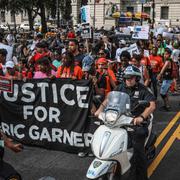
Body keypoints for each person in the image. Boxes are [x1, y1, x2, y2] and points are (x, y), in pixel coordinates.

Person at [95, 65, 156, 180]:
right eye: (126, 77)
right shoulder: (120, 87)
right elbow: (108, 99)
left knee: (138, 151)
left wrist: (141, 117)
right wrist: (100, 110)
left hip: (136, 123)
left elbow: (152, 105)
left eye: (131, 77)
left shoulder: (143, 90)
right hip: (120, 120)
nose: (128, 80)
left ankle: (142, 177)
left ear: (137, 78)